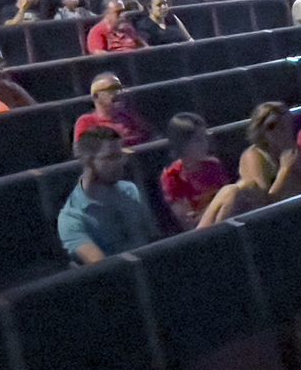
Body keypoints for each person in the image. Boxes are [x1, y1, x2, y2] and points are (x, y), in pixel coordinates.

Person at [57, 126, 160, 264]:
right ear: (88, 161)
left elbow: (154, 240)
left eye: (120, 156)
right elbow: (104, 267)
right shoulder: (72, 219)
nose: (120, 162)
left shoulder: (130, 190)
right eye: (111, 157)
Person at [221, 101, 301, 224]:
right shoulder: (254, 156)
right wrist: (285, 169)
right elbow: (265, 202)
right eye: (271, 126)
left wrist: (300, 164)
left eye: (284, 123)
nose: (280, 130)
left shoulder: (296, 150)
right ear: (260, 130)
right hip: (270, 221)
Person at [159, 113, 232, 231]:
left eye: (205, 138)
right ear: (182, 144)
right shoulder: (171, 176)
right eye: (198, 140)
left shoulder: (213, 165)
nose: (205, 144)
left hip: (225, 225)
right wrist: (216, 206)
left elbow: (228, 203)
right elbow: (188, 222)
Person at [73, 73, 152, 146]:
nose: (119, 93)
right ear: (96, 97)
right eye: (112, 89)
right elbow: (85, 151)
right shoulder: (86, 122)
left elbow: (150, 137)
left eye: (120, 88)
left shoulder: (128, 115)